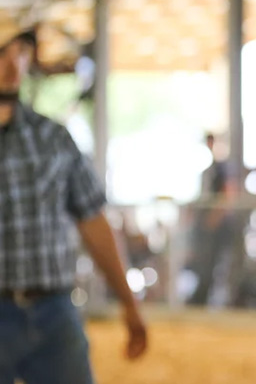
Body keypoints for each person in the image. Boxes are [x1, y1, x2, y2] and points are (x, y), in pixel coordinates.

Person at [1, 27, 148, 382]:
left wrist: (129, 304)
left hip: (54, 312)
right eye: (3, 52)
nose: (13, 64)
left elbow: (93, 221)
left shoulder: (54, 138)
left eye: (21, 52)